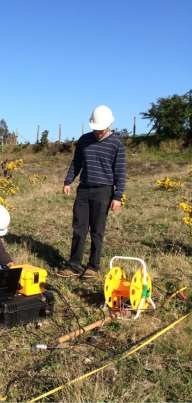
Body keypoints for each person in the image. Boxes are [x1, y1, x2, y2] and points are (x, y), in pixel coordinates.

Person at [58, 105, 126, 278]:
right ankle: (73, 265)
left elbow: (120, 171)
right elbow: (76, 163)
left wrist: (118, 196)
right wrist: (68, 181)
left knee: (97, 230)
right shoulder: (84, 140)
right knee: (79, 228)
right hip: (84, 190)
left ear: (109, 125)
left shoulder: (116, 143)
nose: (98, 132)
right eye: (96, 129)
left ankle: (93, 267)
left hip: (104, 191)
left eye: (101, 129)